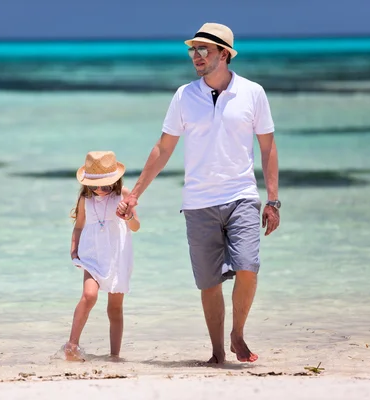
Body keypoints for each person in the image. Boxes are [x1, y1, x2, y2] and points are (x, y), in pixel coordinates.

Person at [116, 23, 280, 364]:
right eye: (193, 50)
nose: (197, 56)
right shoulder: (184, 96)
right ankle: (218, 352)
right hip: (198, 202)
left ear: (224, 54)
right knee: (209, 282)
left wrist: (273, 199)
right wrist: (135, 194)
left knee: (248, 266)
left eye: (204, 49)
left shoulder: (253, 93)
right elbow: (163, 149)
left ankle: (238, 333)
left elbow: (267, 147)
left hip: (242, 196)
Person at [64, 150, 141, 361]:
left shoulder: (123, 195)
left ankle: (115, 355)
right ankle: (72, 344)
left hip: (117, 256)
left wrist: (128, 216)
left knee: (115, 307)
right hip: (92, 255)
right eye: (95, 185)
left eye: (105, 185)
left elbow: (136, 226)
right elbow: (79, 226)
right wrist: (74, 249)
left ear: (115, 181)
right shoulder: (84, 199)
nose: (99, 190)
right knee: (89, 296)